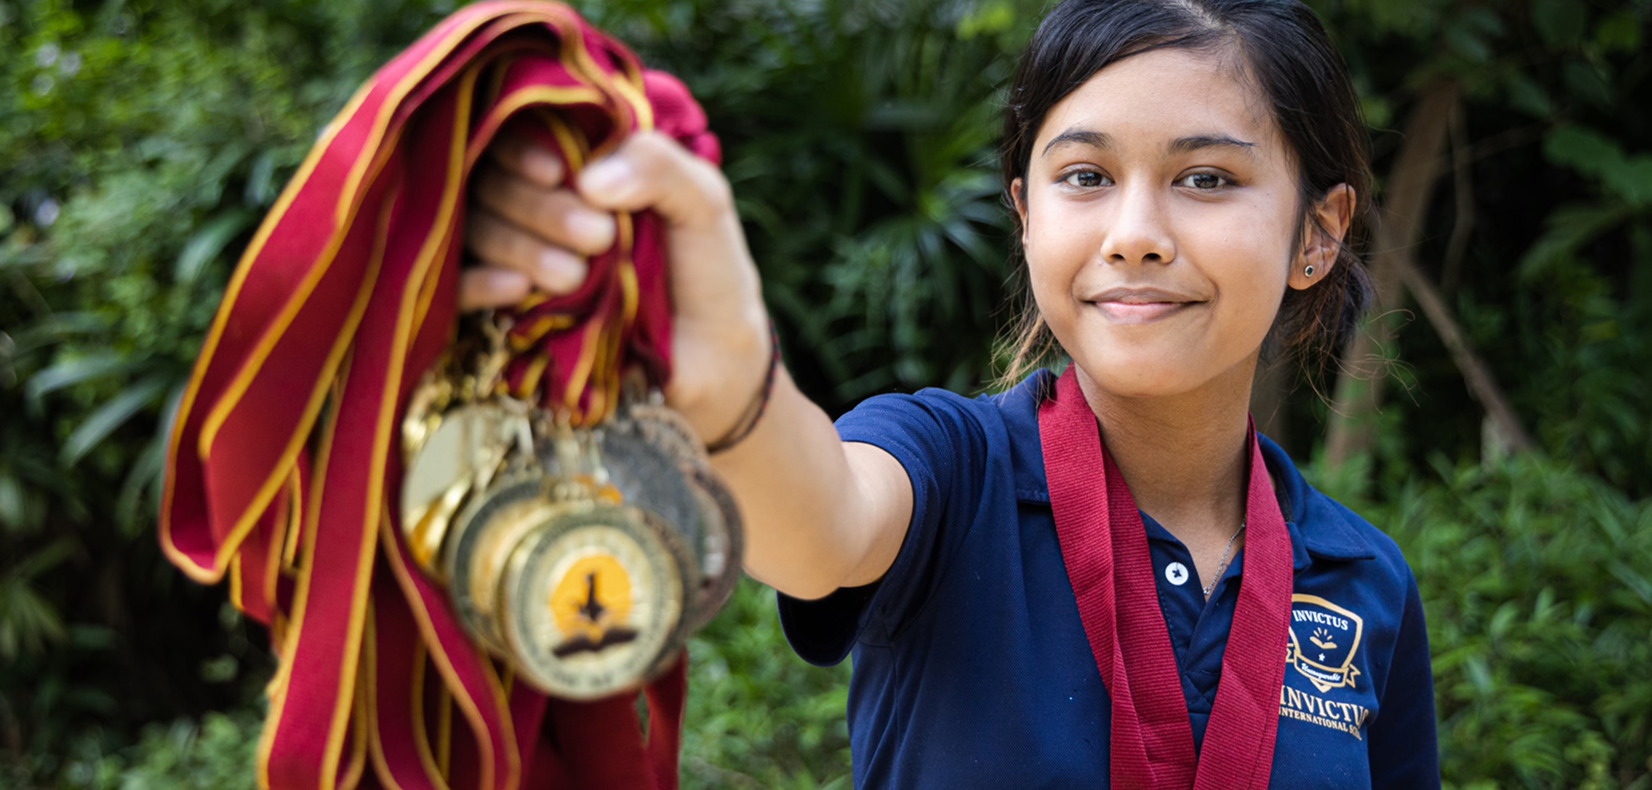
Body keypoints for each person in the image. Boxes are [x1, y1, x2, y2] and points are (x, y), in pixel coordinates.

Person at [460, 0, 1442, 786]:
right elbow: (820, 525)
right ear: (1025, 213)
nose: (1134, 231)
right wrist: (722, 370)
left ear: (1317, 233)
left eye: (1206, 179)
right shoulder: (947, 467)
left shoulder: (1362, 580)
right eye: (1085, 175)